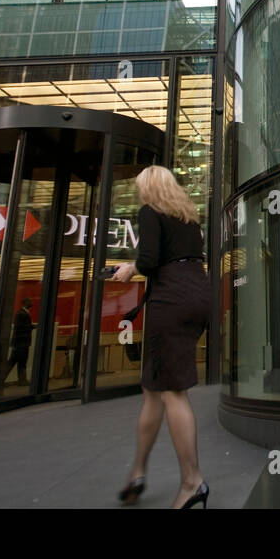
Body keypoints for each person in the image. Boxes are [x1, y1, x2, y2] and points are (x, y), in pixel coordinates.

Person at [113, 166, 212, 509]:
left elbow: (150, 260)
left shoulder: (149, 211)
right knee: (153, 390)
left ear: (149, 189)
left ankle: (192, 482)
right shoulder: (188, 216)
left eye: (140, 187)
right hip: (197, 292)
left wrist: (130, 268)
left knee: (171, 391)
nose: (139, 193)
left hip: (170, 299)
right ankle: (137, 472)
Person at [5, 298, 33, 386]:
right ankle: (22, 380)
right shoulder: (22, 314)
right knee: (16, 362)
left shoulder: (21, 313)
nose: (31, 303)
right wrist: (30, 327)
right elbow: (20, 328)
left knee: (17, 362)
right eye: (30, 302)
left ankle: (22, 380)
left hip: (19, 343)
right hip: (21, 343)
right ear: (25, 303)